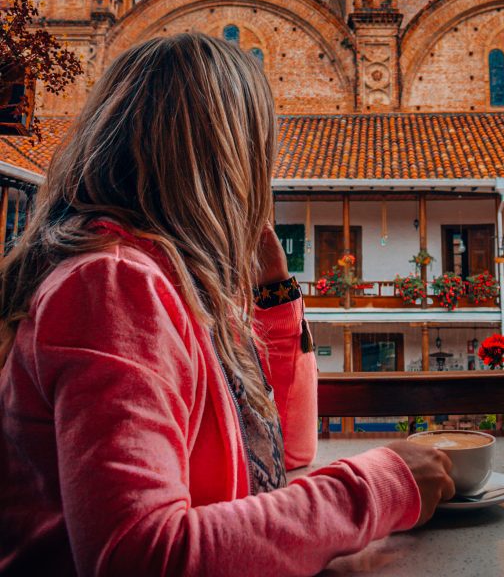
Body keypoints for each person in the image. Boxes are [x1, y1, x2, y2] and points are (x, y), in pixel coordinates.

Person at [0, 33, 454, 576]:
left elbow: (286, 455)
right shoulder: (114, 285)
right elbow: (142, 556)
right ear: (229, 158)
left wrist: (275, 298)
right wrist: (378, 488)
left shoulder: (167, 281)